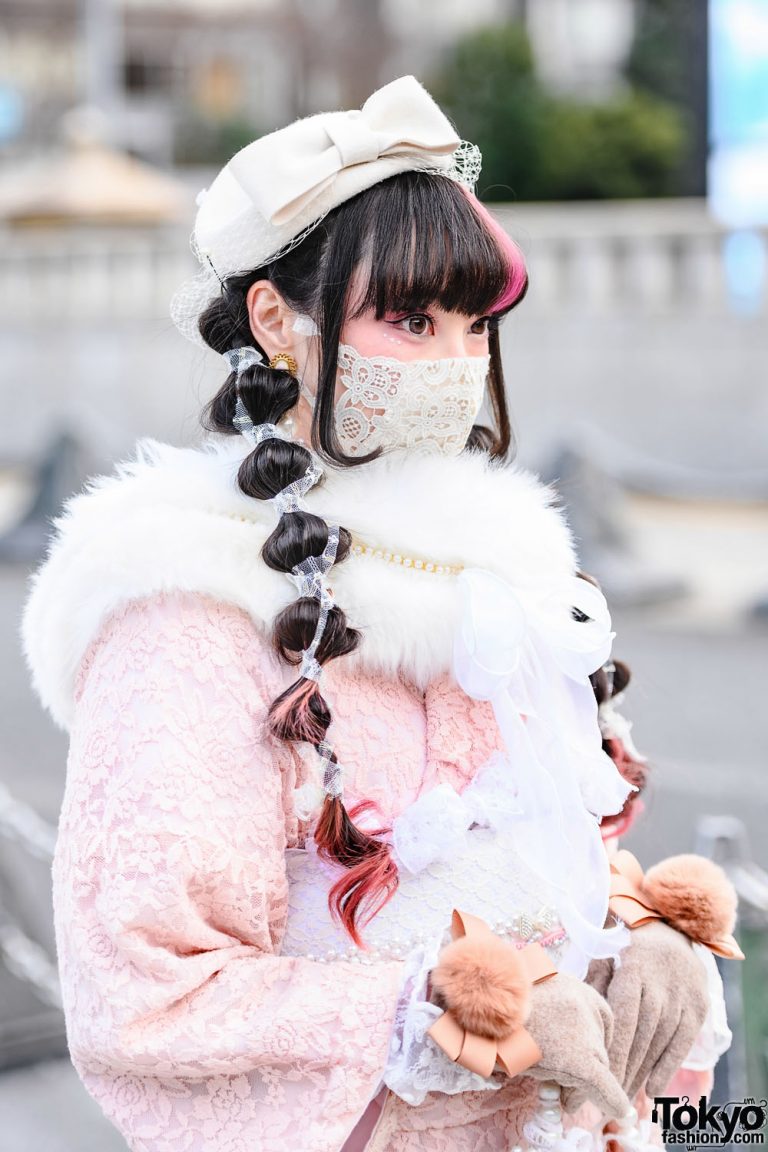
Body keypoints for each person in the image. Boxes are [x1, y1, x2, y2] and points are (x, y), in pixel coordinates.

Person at [21, 75, 738, 1152]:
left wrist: (634, 954)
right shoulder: (187, 610)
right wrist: (430, 1012)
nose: (458, 363)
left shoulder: (503, 577)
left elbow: (527, 869)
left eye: (473, 324)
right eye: (410, 319)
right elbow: (147, 998)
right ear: (275, 322)